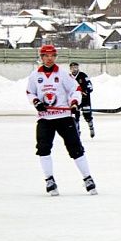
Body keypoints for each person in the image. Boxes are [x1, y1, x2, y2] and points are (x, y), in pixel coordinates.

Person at [26, 45, 97, 196]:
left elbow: (75, 90)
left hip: (64, 117)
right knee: (43, 148)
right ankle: (49, 180)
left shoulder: (63, 74)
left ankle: (88, 178)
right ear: (41, 57)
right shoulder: (34, 76)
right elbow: (30, 92)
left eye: (52, 55)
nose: (49, 58)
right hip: (45, 118)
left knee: (76, 148)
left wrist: (74, 102)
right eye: (46, 56)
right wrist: (36, 102)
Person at [69, 62, 95, 138]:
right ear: (70, 69)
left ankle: (91, 127)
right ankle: (77, 132)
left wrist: (85, 91)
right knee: (75, 116)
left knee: (87, 116)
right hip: (75, 100)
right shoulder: (68, 77)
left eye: (75, 67)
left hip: (84, 99)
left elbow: (90, 87)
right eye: (72, 68)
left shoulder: (83, 75)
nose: (74, 69)